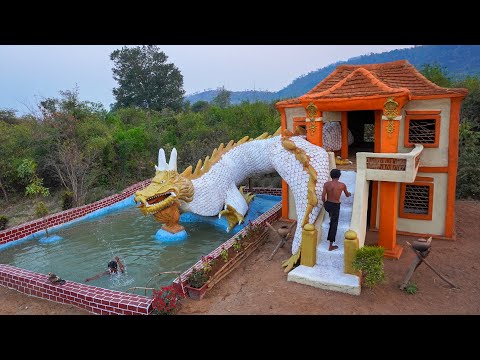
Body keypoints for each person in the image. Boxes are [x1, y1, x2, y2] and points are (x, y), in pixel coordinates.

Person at [321, 169, 351, 251]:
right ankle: (330, 245)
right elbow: (347, 194)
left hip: (328, 205)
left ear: (331, 175)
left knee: (332, 214)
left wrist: (324, 203)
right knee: (334, 225)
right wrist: (349, 194)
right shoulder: (342, 185)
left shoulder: (326, 184)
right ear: (339, 176)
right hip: (335, 205)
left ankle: (331, 219)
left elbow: (323, 197)